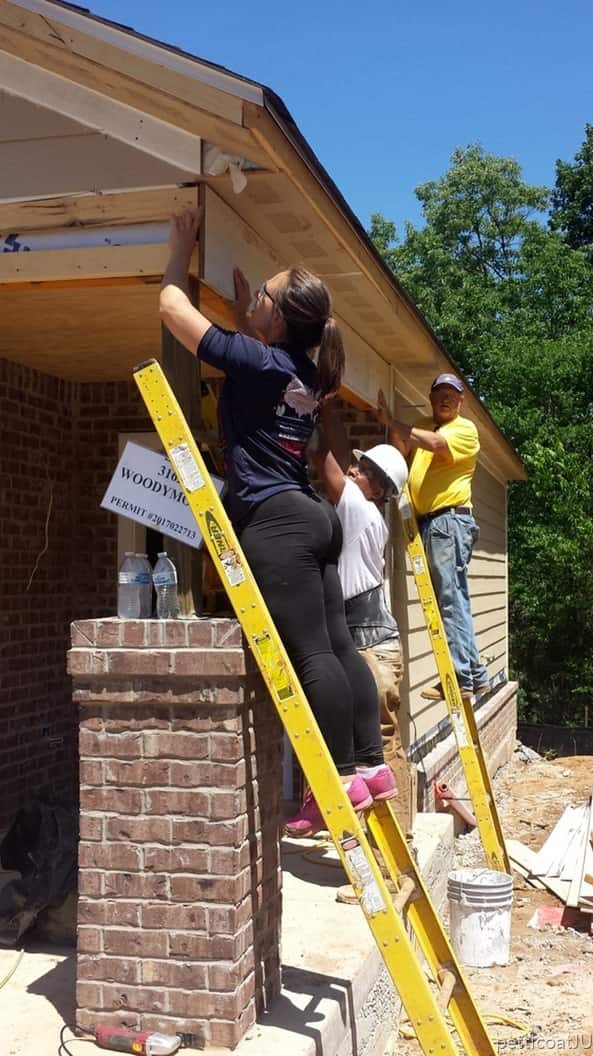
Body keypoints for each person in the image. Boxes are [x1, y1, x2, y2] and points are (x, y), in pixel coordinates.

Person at [159, 208, 396, 837]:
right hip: (313, 517)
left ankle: (336, 782)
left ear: (278, 317)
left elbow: (173, 312)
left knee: (311, 652)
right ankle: (371, 766)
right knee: (340, 646)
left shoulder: (263, 363)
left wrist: (178, 248)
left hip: (275, 522)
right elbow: (256, 349)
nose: (256, 294)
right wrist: (249, 308)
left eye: (264, 291)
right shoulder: (304, 371)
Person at [314, 400, 414, 833]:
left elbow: (329, 466)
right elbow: (340, 459)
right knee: (372, 748)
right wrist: (326, 411)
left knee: (379, 750)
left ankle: (395, 852)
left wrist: (312, 411)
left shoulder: (359, 511)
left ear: (376, 486)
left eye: (362, 469)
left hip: (371, 646)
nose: (353, 472)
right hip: (370, 641)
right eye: (357, 467)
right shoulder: (365, 514)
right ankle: (378, 846)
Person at [374, 374, 490, 702]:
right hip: (434, 524)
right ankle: (474, 675)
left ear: (460, 401)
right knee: (454, 601)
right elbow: (405, 450)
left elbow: (437, 446)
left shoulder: (464, 430)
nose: (444, 399)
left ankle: (459, 677)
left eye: (451, 395)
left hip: (449, 522)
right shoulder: (424, 424)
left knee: (451, 602)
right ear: (430, 396)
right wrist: (394, 432)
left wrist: (393, 421)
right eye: (439, 392)